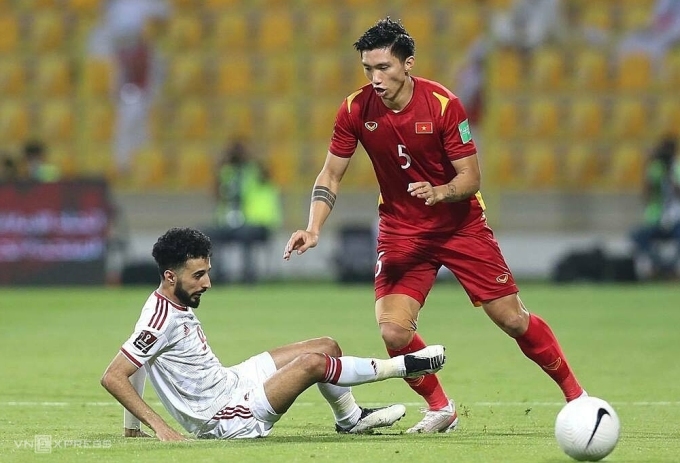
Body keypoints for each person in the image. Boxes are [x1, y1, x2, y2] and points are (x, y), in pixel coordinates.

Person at [283, 18, 586, 434]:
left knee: (512, 319)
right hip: (402, 229)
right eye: (368, 69)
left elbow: (470, 179)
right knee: (393, 332)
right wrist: (313, 226)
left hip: (460, 226)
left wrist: (441, 192)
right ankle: (441, 408)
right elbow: (330, 174)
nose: (375, 78)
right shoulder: (355, 109)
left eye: (384, 67)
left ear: (408, 64)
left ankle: (578, 398)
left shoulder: (444, 105)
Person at [101, 227, 447, 440]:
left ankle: (350, 419)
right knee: (314, 363)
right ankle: (404, 366)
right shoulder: (161, 319)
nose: (207, 282)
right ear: (170, 276)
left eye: (207, 272)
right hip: (226, 418)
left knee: (326, 346)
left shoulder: (169, 302)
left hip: (232, 382)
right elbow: (115, 375)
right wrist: (160, 428)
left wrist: (131, 429)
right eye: (199, 275)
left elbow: (140, 361)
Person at [202, 139, 282, 284]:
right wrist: (221, 164)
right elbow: (215, 192)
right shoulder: (228, 173)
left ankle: (249, 276)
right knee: (206, 234)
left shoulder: (256, 171)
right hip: (231, 223)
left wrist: (249, 155)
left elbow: (265, 171)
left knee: (246, 234)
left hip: (259, 223)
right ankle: (217, 275)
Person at [630, 135, 680, 279]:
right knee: (637, 237)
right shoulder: (655, 168)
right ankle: (662, 266)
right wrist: (647, 166)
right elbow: (645, 196)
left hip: (676, 219)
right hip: (656, 218)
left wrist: (669, 175)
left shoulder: (676, 168)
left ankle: (669, 268)